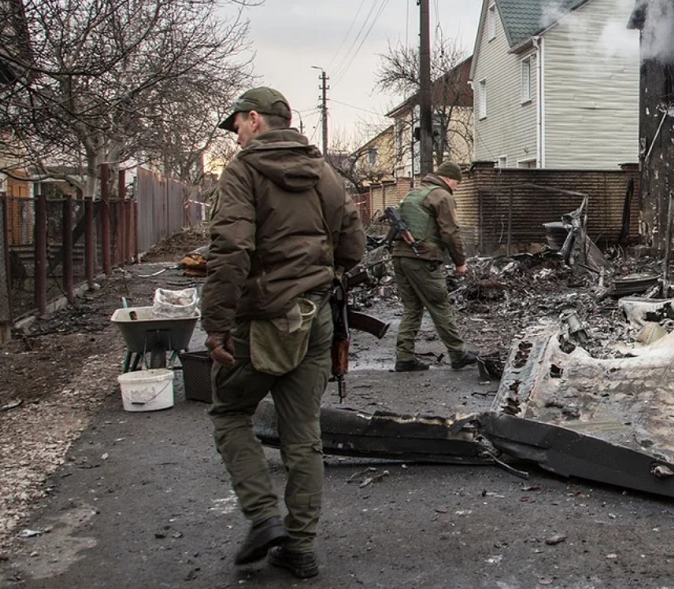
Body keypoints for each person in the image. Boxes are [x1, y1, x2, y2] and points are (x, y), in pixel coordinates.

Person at [202, 87, 365, 578]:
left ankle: (263, 517)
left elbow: (230, 250)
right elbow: (353, 245)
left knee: (230, 413)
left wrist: (214, 324)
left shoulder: (244, 171)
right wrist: (320, 272)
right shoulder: (325, 173)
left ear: (255, 119)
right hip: (314, 317)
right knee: (303, 434)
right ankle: (300, 548)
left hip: (260, 320)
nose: (235, 136)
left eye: (236, 126)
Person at [390, 161, 479, 372]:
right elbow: (450, 232)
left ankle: (404, 357)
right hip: (423, 258)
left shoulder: (415, 193)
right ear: (449, 179)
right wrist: (460, 263)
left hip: (400, 256)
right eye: (456, 183)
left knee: (412, 307)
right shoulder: (442, 196)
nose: (456, 187)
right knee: (440, 305)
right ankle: (458, 353)